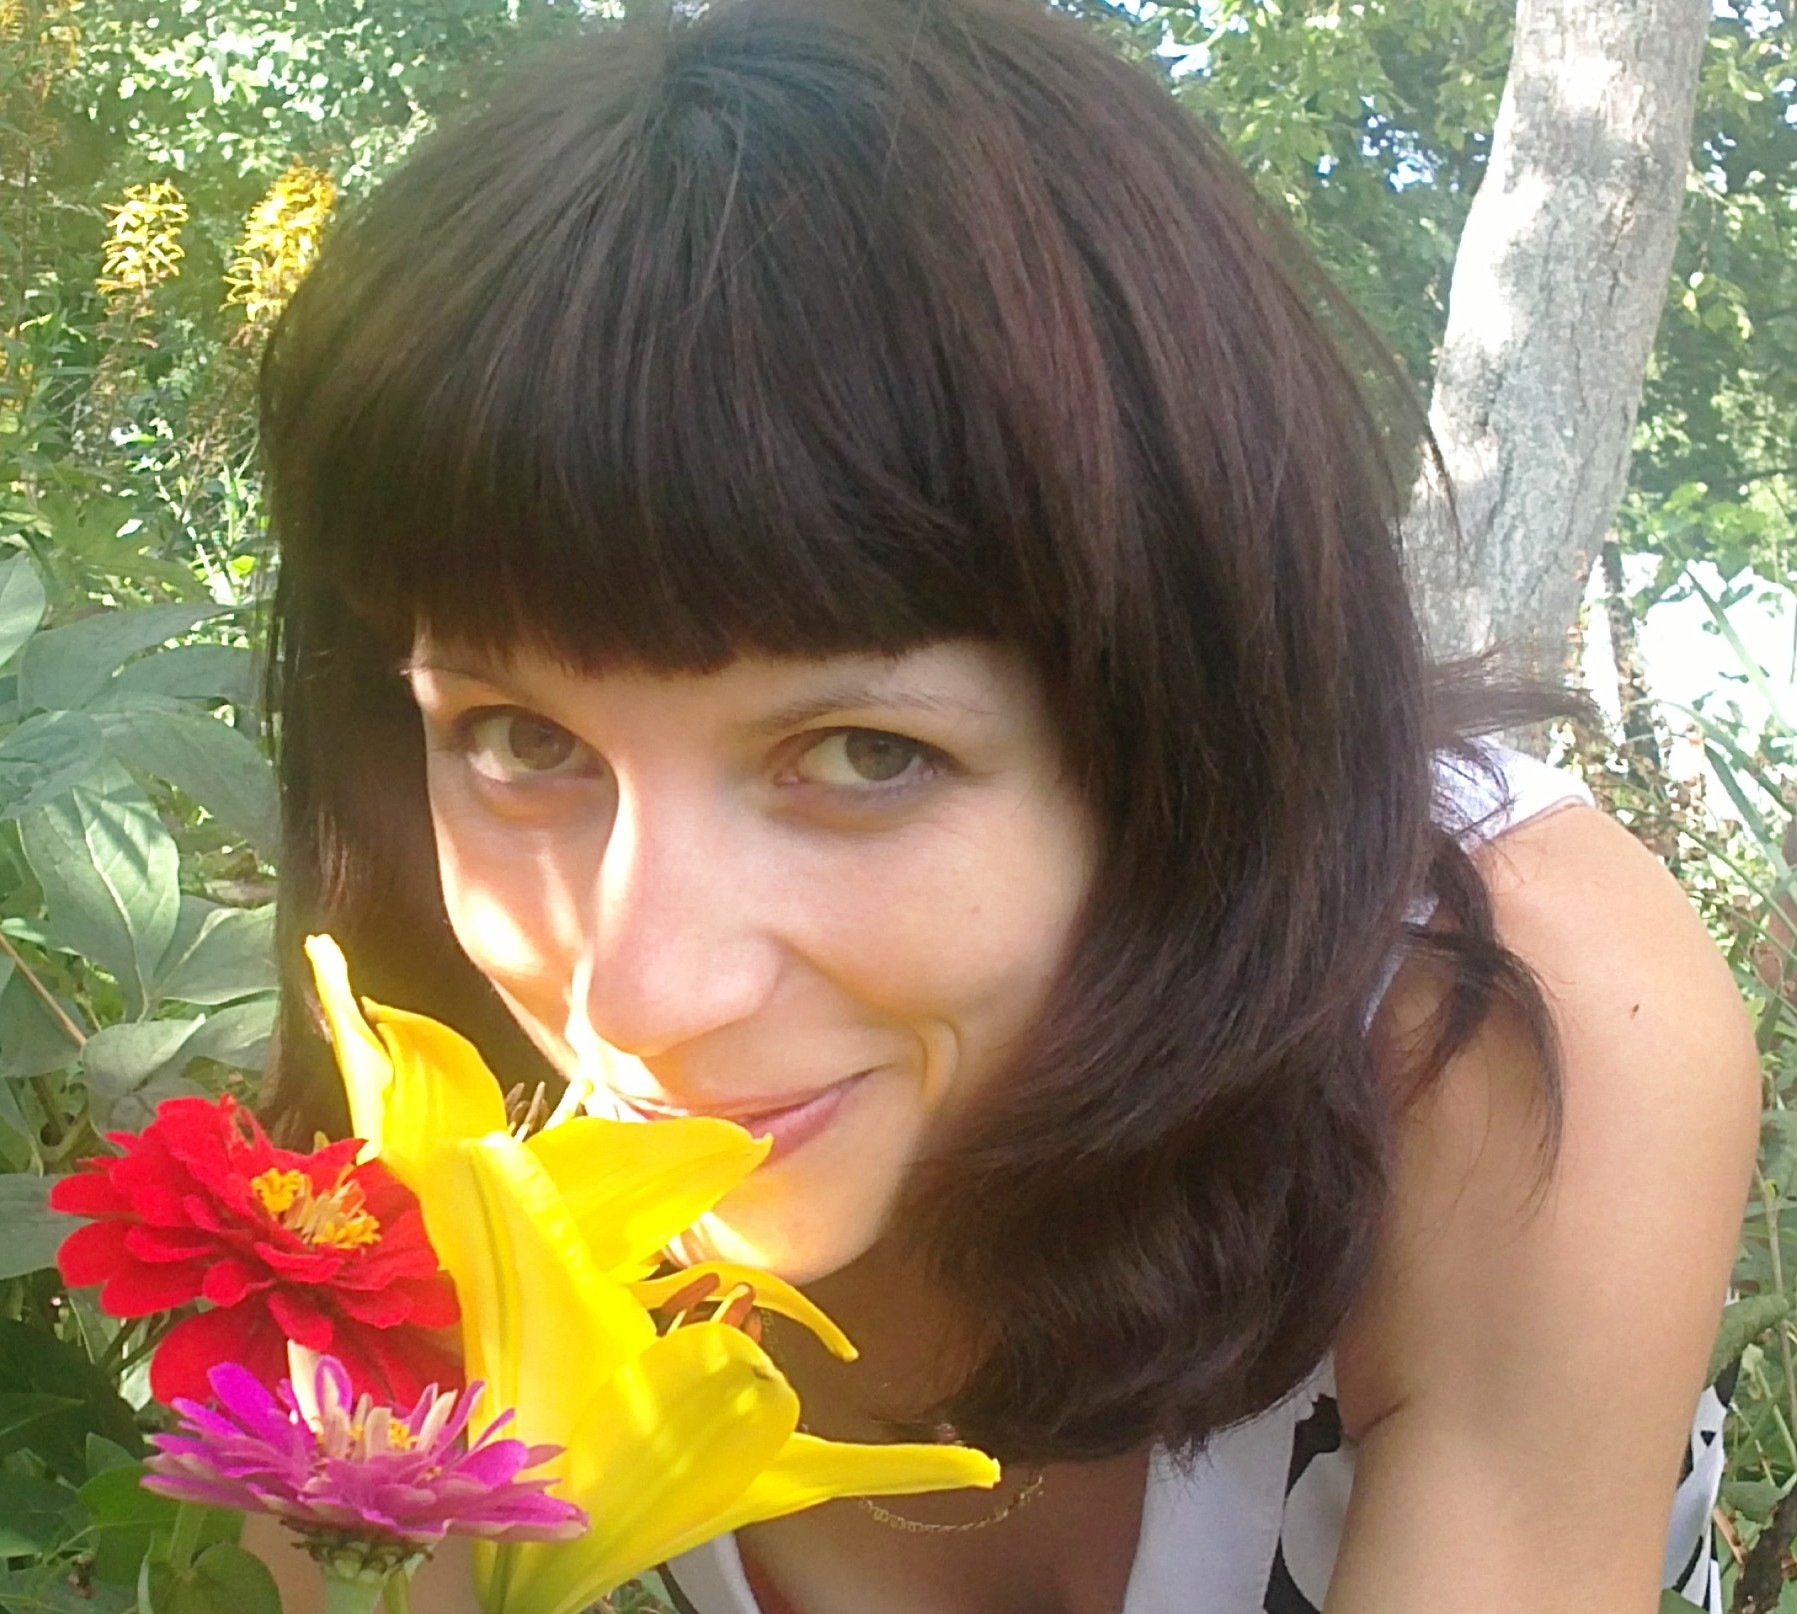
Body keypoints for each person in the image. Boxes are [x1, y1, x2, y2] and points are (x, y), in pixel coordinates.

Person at [249, 1, 1760, 1609]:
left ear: (1183, 726)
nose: (639, 1001)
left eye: (861, 753)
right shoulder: (428, 1099)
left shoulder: (1508, 1032)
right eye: (520, 739)